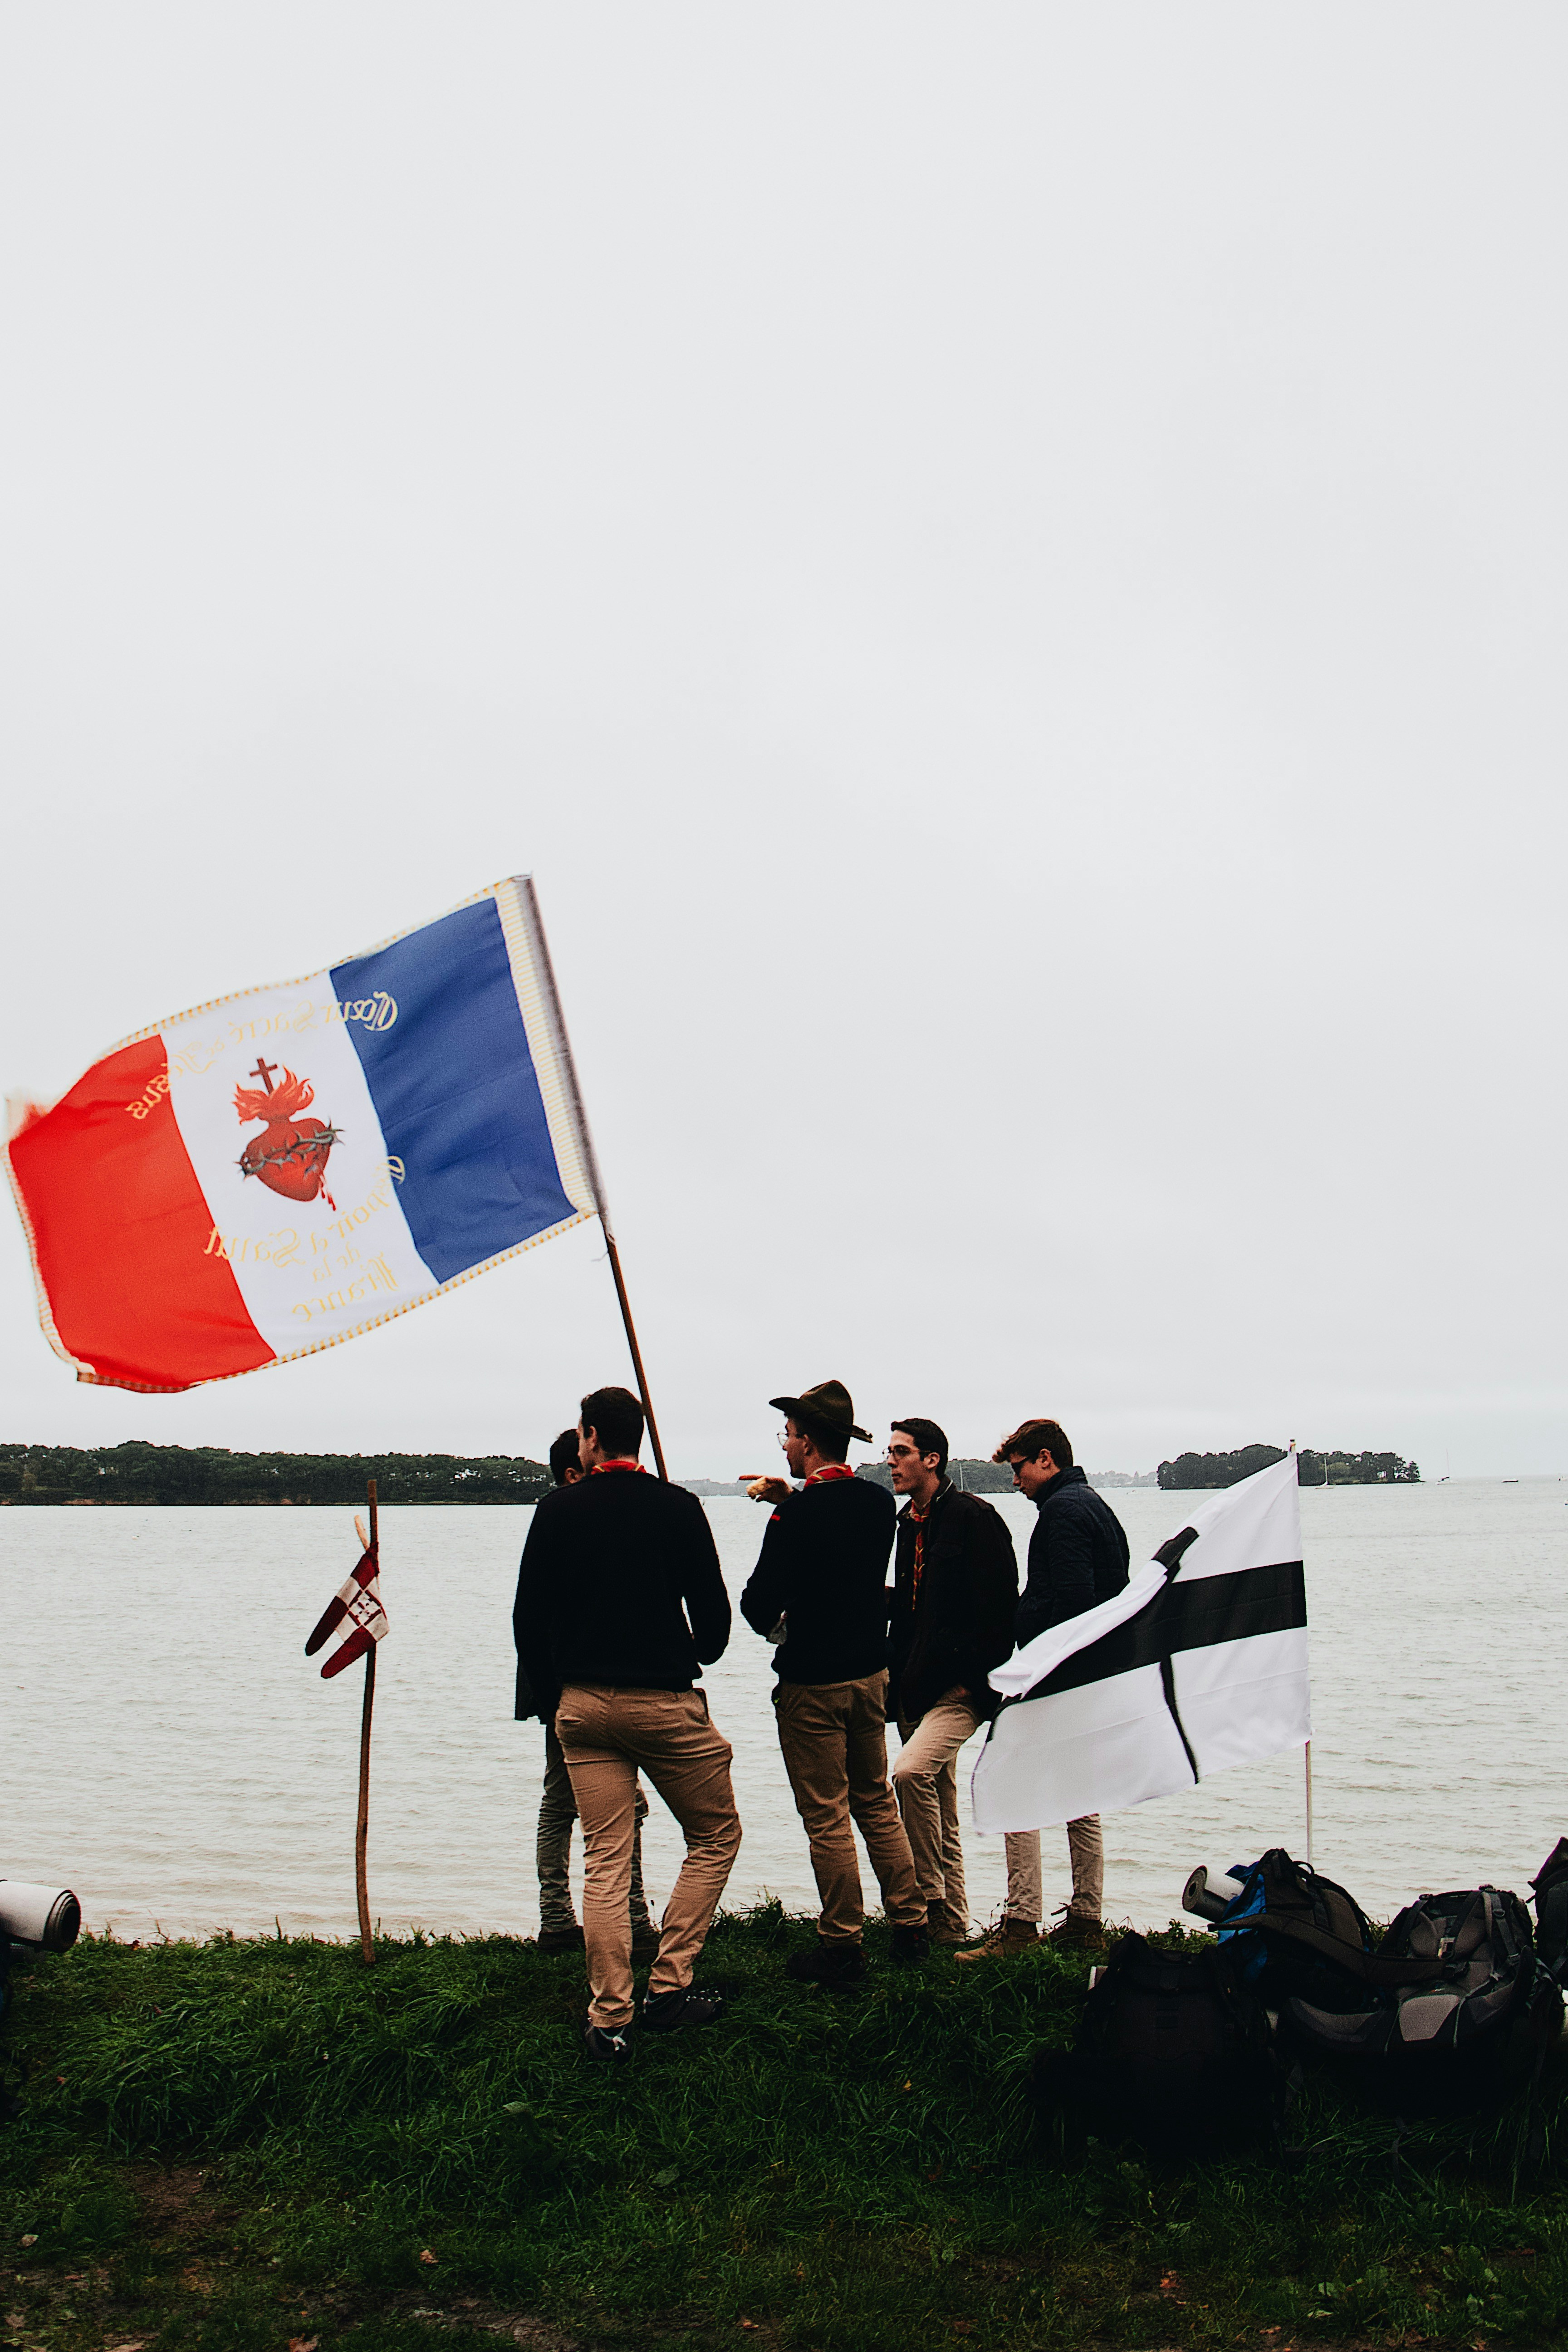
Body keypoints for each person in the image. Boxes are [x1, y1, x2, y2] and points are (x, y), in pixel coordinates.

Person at [513, 1384, 742, 2061]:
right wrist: (692, 1652)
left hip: (581, 1705)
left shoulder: (557, 1510)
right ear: (637, 1438)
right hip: (663, 1702)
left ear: (590, 1439)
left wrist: (558, 1696)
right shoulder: (679, 1508)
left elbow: (529, 1619)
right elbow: (716, 1619)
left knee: (604, 1857)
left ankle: (610, 2017)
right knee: (716, 1833)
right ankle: (669, 1986)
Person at [740, 1378, 929, 1984]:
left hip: (813, 1682)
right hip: (871, 1673)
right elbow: (833, 1519)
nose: (785, 1446)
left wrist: (781, 1628)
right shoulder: (878, 1506)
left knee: (826, 1814)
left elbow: (756, 1604)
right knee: (875, 1800)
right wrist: (788, 1497)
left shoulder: (793, 1516)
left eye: (790, 1437)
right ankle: (911, 1923)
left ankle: (843, 1943)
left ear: (809, 1442)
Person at [961, 1415, 1130, 1958]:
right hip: (1090, 1673)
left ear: (1045, 1460)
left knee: (1016, 1787)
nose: (1016, 1481)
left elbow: (1075, 1603)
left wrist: (1039, 1670)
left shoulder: (1063, 1512)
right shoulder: (1093, 1505)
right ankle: (1085, 1918)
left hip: (1058, 1674)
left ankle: (1020, 1924)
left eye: (1019, 1469)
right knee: (1082, 1794)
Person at [517, 1428, 660, 1963]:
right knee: (570, 1801)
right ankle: (594, 1917)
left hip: (574, 1683)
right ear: (573, 1473)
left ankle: (583, 1916)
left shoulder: (571, 1515)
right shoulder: (564, 1516)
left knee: (586, 1802)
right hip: (566, 1685)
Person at [882, 1417, 1021, 1947]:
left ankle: (932, 1900)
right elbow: (911, 1610)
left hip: (961, 1689)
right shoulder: (907, 1524)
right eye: (891, 1453)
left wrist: (975, 1682)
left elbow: (1002, 1607)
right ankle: (952, 1925)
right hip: (913, 1685)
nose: (892, 1462)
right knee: (938, 1805)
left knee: (910, 1774)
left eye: (901, 1452)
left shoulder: (973, 1518)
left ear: (932, 1460)